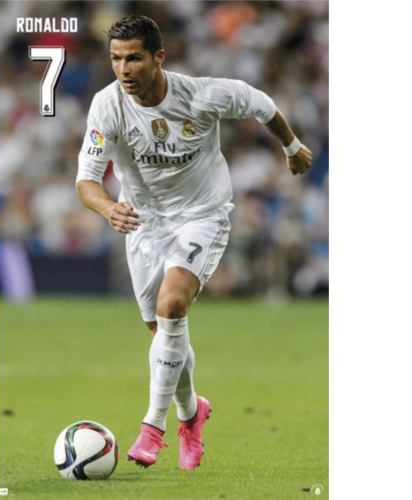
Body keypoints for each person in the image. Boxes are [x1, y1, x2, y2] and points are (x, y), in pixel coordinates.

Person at [76, 15, 312, 470]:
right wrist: (107, 208)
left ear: (159, 58)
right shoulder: (107, 106)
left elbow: (262, 105)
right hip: (143, 224)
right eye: (116, 59)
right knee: (163, 334)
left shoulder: (204, 95)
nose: (123, 69)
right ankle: (191, 413)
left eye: (134, 59)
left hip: (202, 214)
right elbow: (86, 180)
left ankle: (152, 426)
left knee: (172, 305)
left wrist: (291, 146)